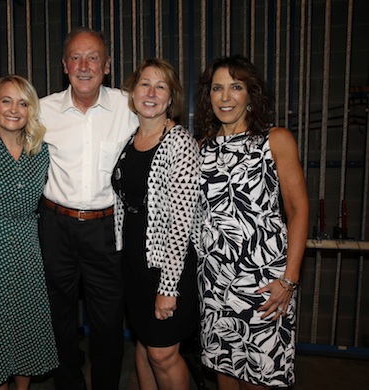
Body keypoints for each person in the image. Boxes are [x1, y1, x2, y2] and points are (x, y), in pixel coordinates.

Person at [192, 54, 309, 389]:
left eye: (236, 86)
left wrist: (289, 280)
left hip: (265, 285)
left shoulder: (276, 140)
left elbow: (299, 210)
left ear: (250, 94)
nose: (225, 97)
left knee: (261, 377)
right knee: (225, 372)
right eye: (217, 88)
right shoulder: (201, 147)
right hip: (215, 284)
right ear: (208, 95)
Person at [38, 27, 138, 390]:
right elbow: (6, 138)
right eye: (76, 58)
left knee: (109, 320)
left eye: (93, 57)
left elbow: (162, 133)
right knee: (57, 317)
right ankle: (68, 384)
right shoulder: (42, 110)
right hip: (55, 227)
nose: (84, 66)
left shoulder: (129, 107)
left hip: (106, 228)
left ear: (106, 65)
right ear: (65, 66)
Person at [0, 75, 58, 389]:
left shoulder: (41, 152)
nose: (14, 109)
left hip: (27, 251)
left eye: (23, 102)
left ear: (32, 110)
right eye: (6, 100)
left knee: (26, 325)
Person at [111, 58, 200, 390]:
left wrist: (168, 288)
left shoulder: (179, 144)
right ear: (132, 94)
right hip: (135, 262)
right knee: (145, 344)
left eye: (160, 86)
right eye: (144, 84)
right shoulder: (130, 142)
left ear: (171, 97)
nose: (151, 92)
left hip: (168, 267)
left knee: (163, 354)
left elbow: (180, 224)